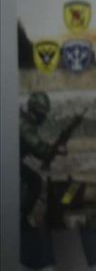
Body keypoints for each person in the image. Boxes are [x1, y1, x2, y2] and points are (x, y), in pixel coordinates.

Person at [20, 92, 67, 227]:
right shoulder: (25, 126)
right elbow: (39, 148)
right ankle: (20, 218)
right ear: (35, 112)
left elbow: (35, 149)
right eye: (42, 114)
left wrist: (50, 150)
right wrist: (55, 150)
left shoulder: (25, 121)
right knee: (34, 182)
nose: (44, 118)